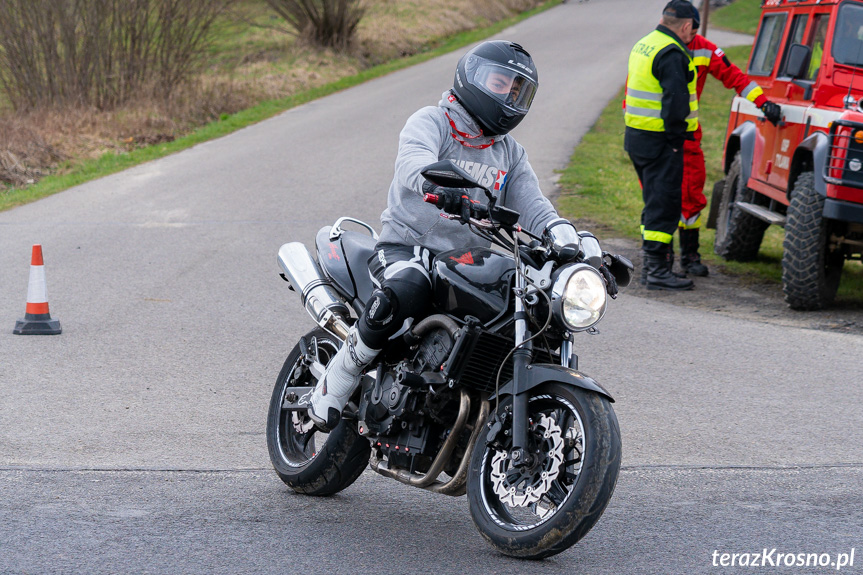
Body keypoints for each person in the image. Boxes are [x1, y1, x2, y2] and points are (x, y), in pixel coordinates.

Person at [308, 40, 581, 430]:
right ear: (471, 77)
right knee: (408, 284)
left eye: (518, 90)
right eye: (500, 83)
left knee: (524, 304)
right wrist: (435, 183)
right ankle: (342, 374)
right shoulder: (434, 121)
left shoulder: (510, 153)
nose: (509, 96)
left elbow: (534, 205)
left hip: (465, 262)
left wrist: (564, 234)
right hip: (405, 247)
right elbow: (412, 160)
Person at [679, 4, 781, 276]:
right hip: (654, 138)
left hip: (685, 137)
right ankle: (659, 261)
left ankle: (686, 256)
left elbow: (735, 77)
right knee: (661, 197)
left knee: (690, 195)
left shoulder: (704, 49)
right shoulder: (657, 47)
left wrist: (763, 103)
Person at [624, 0, 698, 290]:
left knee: (653, 202)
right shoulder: (672, 53)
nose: (692, 37)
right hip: (661, 142)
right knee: (664, 205)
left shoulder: (645, 43)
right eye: (693, 31)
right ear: (687, 25)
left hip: (638, 137)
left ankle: (657, 265)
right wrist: (677, 140)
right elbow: (676, 104)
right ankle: (657, 271)